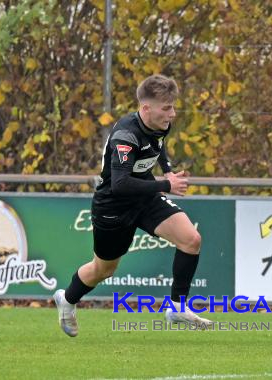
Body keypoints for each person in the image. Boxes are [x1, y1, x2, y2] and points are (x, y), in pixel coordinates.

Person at [53, 74, 212, 337]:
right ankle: (67, 299)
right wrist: (165, 185)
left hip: (145, 198)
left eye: (173, 107)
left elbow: (157, 147)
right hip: (113, 206)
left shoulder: (159, 123)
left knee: (191, 239)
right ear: (145, 108)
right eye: (166, 108)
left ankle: (177, 306)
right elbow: (120, 184)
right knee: (103, 269)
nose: (172, 114)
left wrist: (168, 172)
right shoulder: (126, 135)